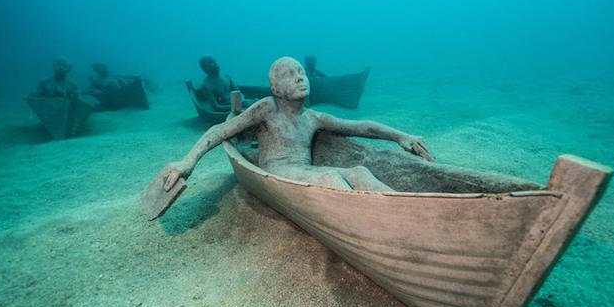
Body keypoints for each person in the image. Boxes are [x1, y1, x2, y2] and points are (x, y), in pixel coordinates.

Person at [163, 56, 433, 193]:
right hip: (277, 170)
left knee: (360, 172)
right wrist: (187, 162)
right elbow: (220, 131)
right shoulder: (267, 107)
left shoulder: (312, 117)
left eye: (301, 73)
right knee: (330, 177)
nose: (300, 78)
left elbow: (362, 126)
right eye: (289, 75)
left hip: (303, 170)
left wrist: (402, 136)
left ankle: (404, 209)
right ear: (276, 88)